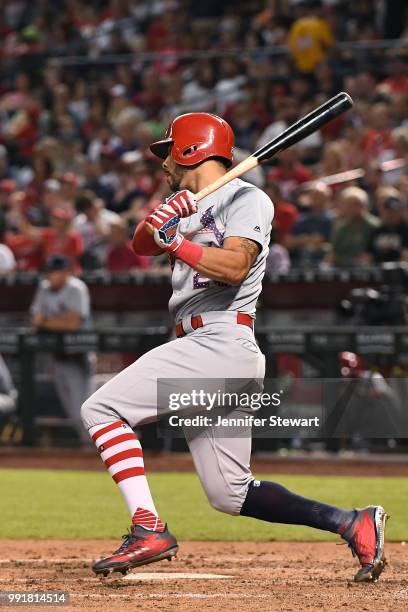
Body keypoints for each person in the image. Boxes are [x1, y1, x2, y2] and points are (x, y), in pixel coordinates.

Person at [81, 113, 387, 582]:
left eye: (169, 152)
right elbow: (142, 243)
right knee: (229, 493)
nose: (163, 163)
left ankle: (148, 528)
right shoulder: (186, 201)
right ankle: (351, 521)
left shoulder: (248, 198)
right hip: (205, 346)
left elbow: (236, 266)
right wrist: (162, 222)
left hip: (219, 339)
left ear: (190, 149)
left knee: (102, 410)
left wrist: (179, 244)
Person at [31, 254, 93, 445]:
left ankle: (96, 449)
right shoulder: (44, 288)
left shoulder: (76, 288)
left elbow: (73, 323)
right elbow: (35, 320)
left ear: (66, 272)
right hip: (58, 357)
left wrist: (47, 323)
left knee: (84, 410)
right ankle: (89, 449)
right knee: (73, 413)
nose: (51, 276)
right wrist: (59, 321)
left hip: (79, 356)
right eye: (49, 272)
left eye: (55, 272)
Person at [328, 187, 380, 268]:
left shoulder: (375, 226)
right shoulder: (342, 228)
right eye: (347, 205)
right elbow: (333, 254)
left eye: (356, 204)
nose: (351, 209)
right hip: (343, 270)